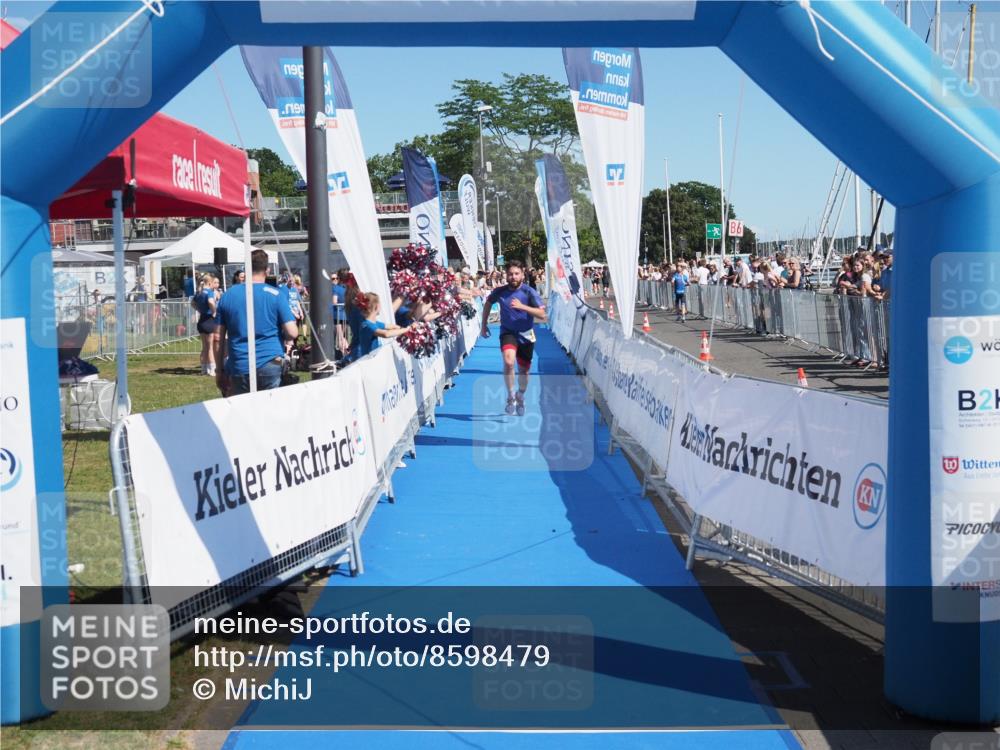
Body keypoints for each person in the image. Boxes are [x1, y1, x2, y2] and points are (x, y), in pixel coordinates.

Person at [215, 249, 298, 396]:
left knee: (242, 413)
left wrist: (219, 370)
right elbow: (292, 332)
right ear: (267, 270)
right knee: (270, 412)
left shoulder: (227, 296)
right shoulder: (276, 295)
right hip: (270, 361)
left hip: (240, 363)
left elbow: (218, 339)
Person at [480, 260, 547, 417]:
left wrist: (523, 307)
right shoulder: (500, 291)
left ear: (522, 275)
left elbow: (542, 315)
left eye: (517, 274)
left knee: (524, 370)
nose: (513, 277)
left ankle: (520, 395)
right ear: (506, 275)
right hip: (508, 333)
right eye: (510, 274)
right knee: (509, 362)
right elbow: (487, 304)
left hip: (526, 334)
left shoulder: (529, 292)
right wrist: (484, 325)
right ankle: (510, 396)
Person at [356, 293, 410, 357]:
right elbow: (386, 334)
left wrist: (405, 329)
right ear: (377, 307)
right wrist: (407, 329)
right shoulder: (367, 325)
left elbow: (392, 327)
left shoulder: (374, 323)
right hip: (368, 361)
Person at [194, 273, 220, 376]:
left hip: (202, 320)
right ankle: (212, 369)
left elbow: (193, 303)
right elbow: (211, 302)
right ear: (209, 282)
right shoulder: (209, 292)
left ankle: (203, 369)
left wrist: (200, 310)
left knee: (204, 346)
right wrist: (214, 312)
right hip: (209, 320)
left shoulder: (199, 292)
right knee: (210, 347)